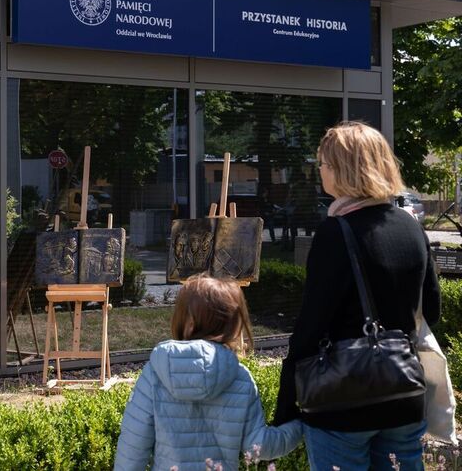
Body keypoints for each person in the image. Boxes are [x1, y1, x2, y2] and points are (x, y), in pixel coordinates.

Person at [273, 122, 442, 470]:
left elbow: (311, 326)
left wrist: (287, 401)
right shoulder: (411, 226)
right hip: (403, 393)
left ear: (342, 170)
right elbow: (432, 310)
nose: (319, 170)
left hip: (343, 403)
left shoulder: (334, 232)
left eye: (323, 163)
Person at [114, 274, 303, 471]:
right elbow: (259, 446)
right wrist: (299, 425)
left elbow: (132, 449)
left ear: (185, 321)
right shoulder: (240, 377)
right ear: (233, 325)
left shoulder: (155, 374)